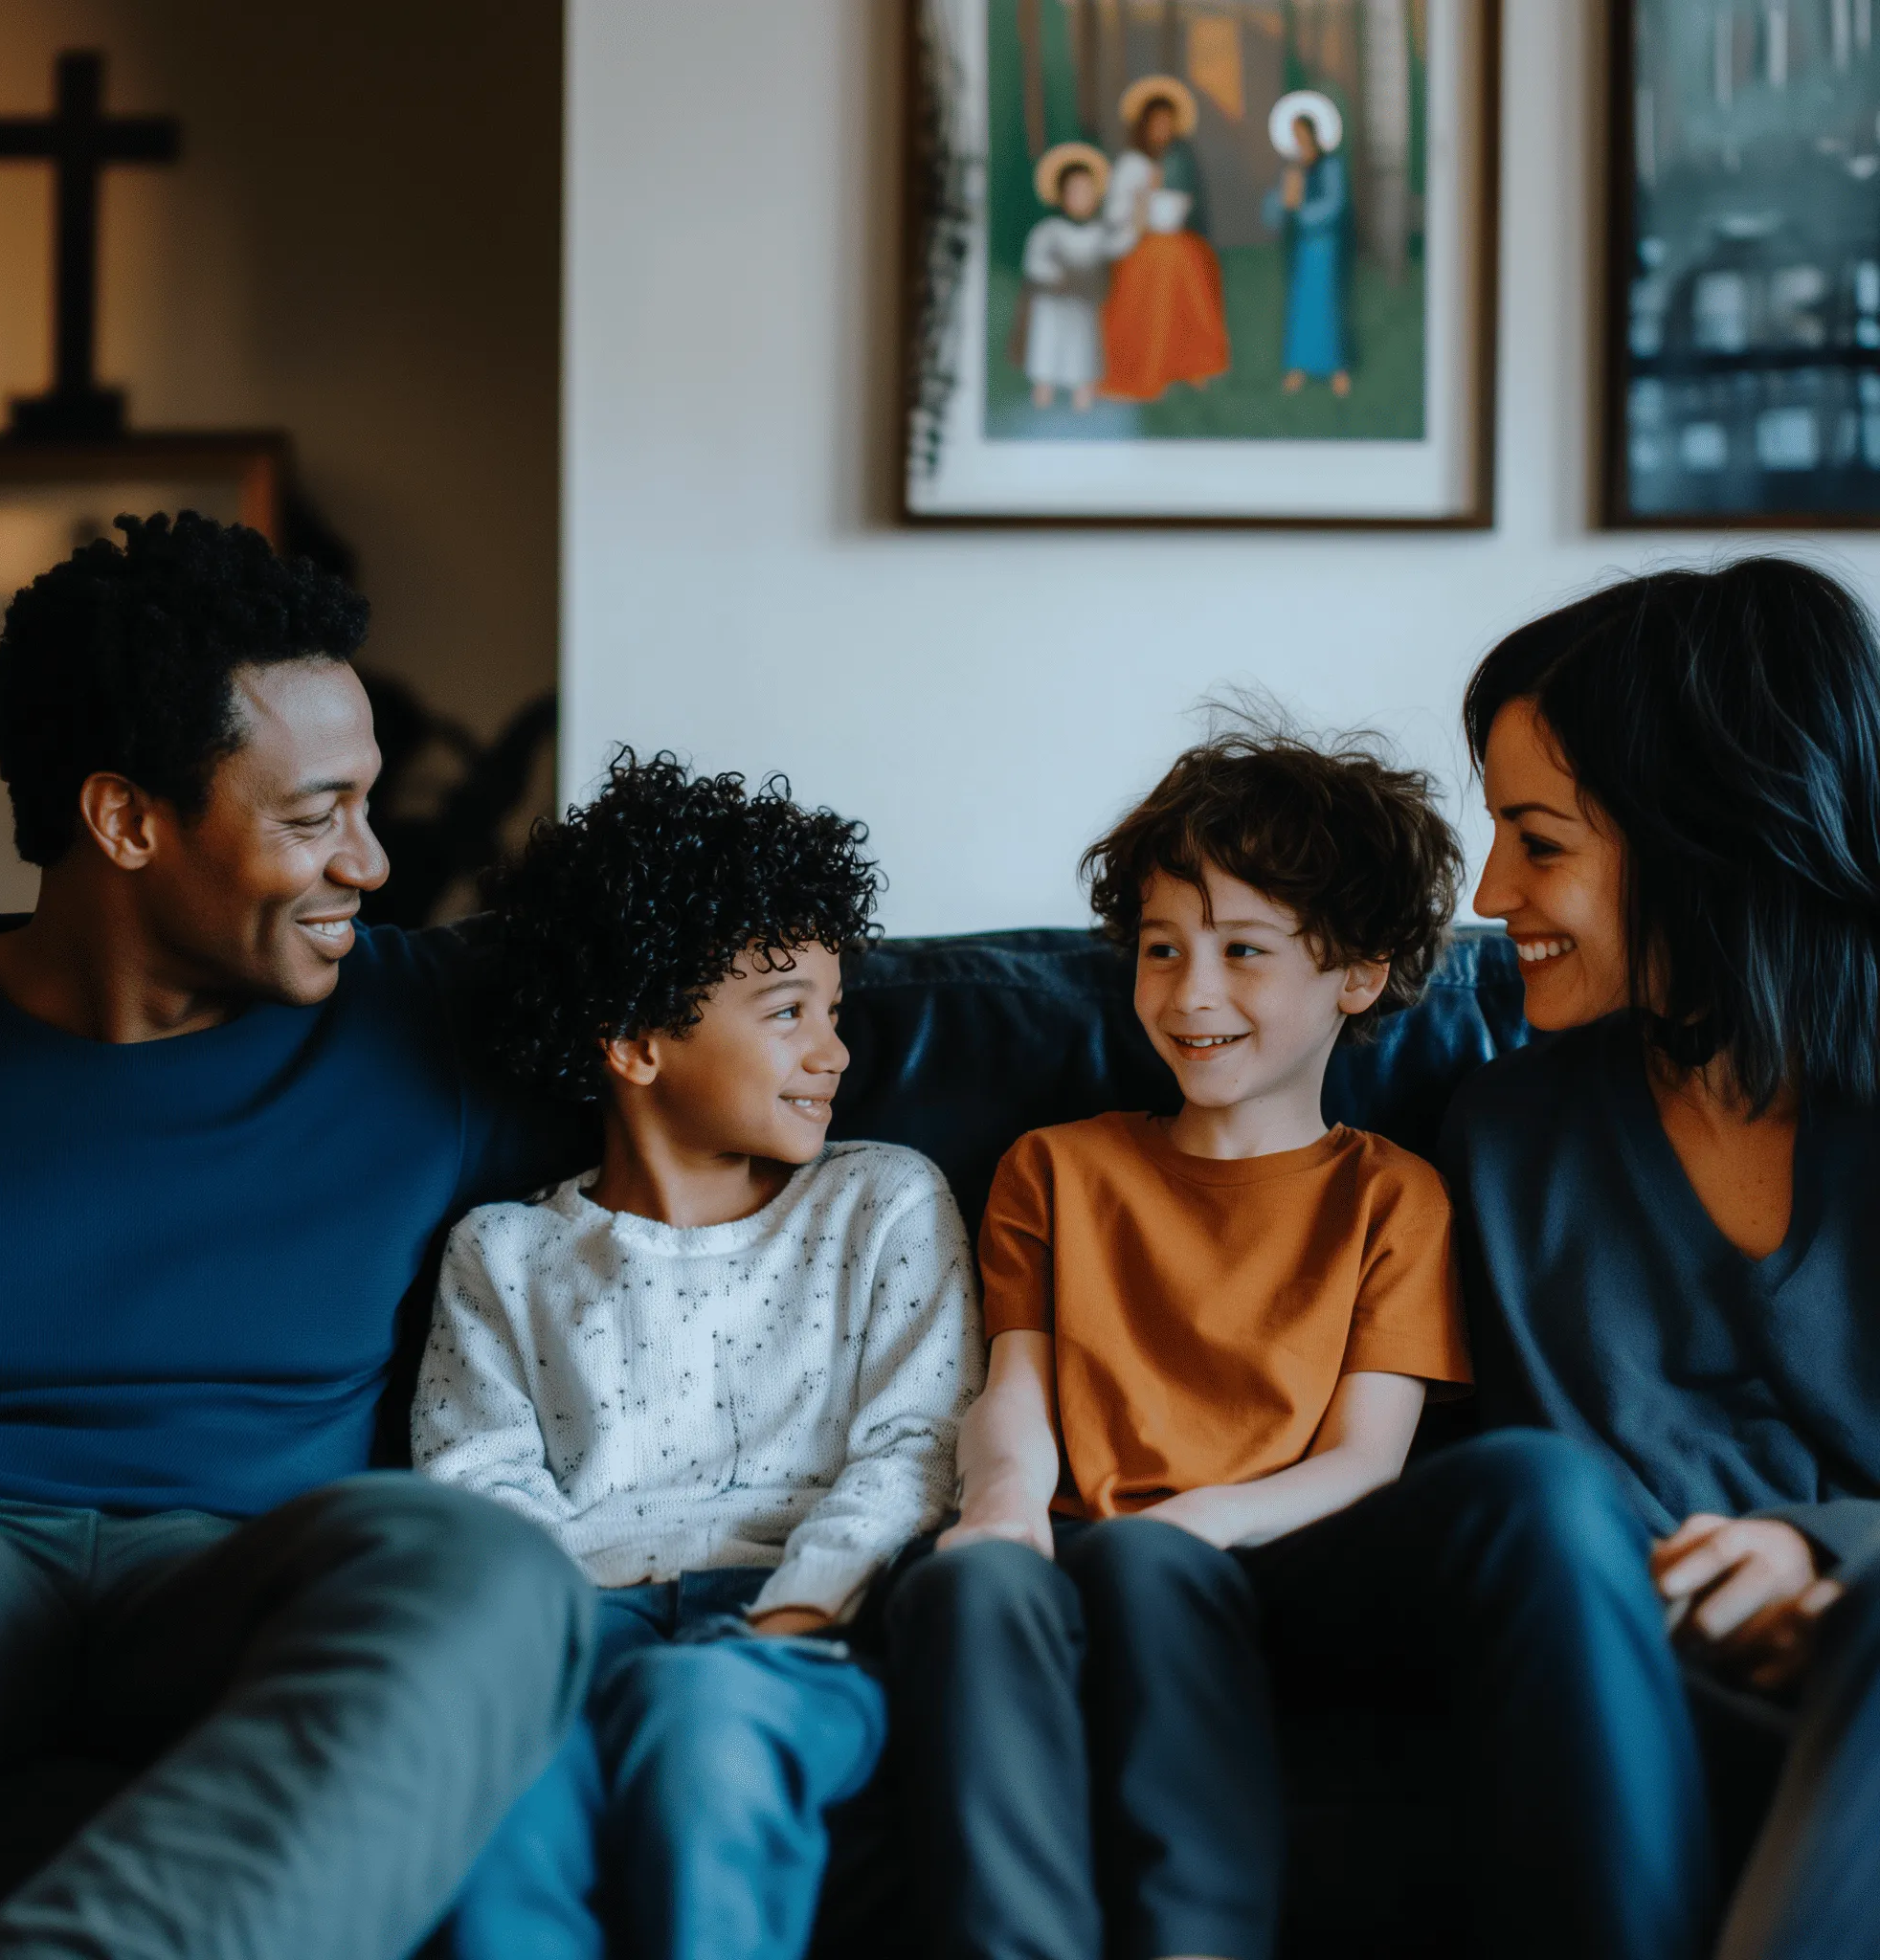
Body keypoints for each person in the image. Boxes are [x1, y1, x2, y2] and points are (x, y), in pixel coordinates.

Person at [884, 727, 1709, 1960]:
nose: (1187, 991)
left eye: (1241, 951)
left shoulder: (1392, 1197)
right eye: (1160, 948)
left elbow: (1366, 1461)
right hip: (1063, 1544)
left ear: (1358, 975)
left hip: (1259, 1558)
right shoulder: (1052, 1167)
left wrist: (1179, 1527)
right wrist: (1000, 1503)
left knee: (1146, 1570)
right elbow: (1014, 1389)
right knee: (958, 1581)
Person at [0, 513, 593, 1959]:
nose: (371, 863)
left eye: (364, 808)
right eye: (311, 817)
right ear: (125, 820)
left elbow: (739, 1060)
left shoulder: (439, 1027)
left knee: (485, 1572)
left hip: (245, 1577)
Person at [414, 752, 982, 1960]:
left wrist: (796, 1609)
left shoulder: (881, 1201)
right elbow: (477, 1483)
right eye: (787, 1011)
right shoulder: (504, 1252)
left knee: (702, 1714)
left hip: (804, 1623)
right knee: (498, 1777)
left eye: (833, 1010)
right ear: (634, 1039)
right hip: (572, 1621)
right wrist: (544, 1651)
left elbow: (914, 1448)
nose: (832, 1050)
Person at [1445, 559, 1880, 1960]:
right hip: (1663, 1718)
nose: (1491, 886)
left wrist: (1827, 1559)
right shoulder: (1505, 1143)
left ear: (1708, 840)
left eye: (1542, 840)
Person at [1099, 76, 1230, 403]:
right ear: (1144, 126)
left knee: (1194, 258)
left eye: (1168, 124)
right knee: (1164, 262)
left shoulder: (1180, 159)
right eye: (1157, 124)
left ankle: (1191, 361)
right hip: (1137, 243)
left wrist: (1175, 204)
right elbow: (1116, 213)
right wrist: (1142, 200)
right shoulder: (1131, 163)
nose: (1162, 131)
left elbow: (1190, 203)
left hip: (1173, 237)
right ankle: (1153, 363)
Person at [1018, 143, 1128, 412]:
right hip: (1053, 305)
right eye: (1075, 191)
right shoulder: (1049, 230)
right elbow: (1035, 261)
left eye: (1088, 191)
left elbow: (1117, 245)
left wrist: (1136, 218)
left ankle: (1083, 395)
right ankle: (1043, 390)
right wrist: (1057, 275)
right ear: (1061, 195)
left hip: (1082, 305)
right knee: (1047, 345)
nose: (1082, 197)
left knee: (1082, 349)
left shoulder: (1098, 232)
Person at [1262, 91, 1353, 398]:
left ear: (1314, 134)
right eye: (1294, 135)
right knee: (1300, 306)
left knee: (1326, 305)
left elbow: (1334, 203)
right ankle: (1299, 366)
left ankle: (1336, 368)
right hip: (1300, 247)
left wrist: (1301, 212)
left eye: (1303, 133)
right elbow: (1275, 209)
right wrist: (1280, 202)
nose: (1299, 140)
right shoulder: (1292, 169)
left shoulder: (1330, 166)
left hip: (1323, 245)